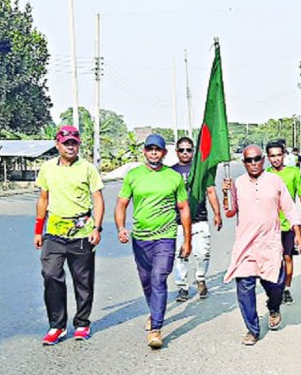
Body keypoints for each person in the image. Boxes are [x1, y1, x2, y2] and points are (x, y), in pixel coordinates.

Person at [114, 134, 192, 349]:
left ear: (164, 153)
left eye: (158, 149)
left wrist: (187, 239)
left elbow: (184, 208)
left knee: (159, 278)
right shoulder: (134, 175)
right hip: (141, 238)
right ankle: (154, 310)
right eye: (150, 149)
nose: (154, 152)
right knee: (147, 280)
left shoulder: (173, 177)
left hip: (166, 236)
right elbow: (121, 204)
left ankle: (156, 328)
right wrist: (121, 228)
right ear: (144, 152)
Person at [223, 145, 301, 346]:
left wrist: (298, 233)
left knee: (276, 284)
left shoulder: (275, 181)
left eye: (257, 159)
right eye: (249, 160)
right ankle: (252, 330)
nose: (253, 163)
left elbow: (289, 207)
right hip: (246, 245)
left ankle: (274, 307)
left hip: (270, 243)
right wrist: (226, 193)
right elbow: (230, 211)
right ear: (244, 163)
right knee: (244, 287)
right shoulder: (239, 183)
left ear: (263, 160)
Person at [34, 125, 105, 345]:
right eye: (66, 143)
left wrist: (97, 228)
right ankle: (57, 326)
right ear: (58, 145)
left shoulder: (87, 168)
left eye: (74, 142)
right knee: (51, 275)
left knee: (83, 280)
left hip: (82, 232)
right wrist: (38, 230)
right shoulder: (47, 168)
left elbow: (98, 199)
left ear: (79, 144)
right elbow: (43, 199)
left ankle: (82, 323)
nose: (70, 146)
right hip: (54, 232)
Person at [170, 136, 223, 302]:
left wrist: (217, 213)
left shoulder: (201, 171)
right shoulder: (170, 172)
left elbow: (211, 191)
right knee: (181, 256)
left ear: (193, 151)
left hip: (199, 219)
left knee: (202, 253)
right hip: (177, 222)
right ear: (176, 152)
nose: (185, 153)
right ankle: (182, 287)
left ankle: (200, 278)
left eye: (189, 149)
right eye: (181, 150)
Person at [265, 140, 301, 304]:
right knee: (272, 260)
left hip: (289, 224)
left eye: (279, 155)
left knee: (287, 258)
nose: (276, 159)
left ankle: (286, 288)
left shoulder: (293, 173)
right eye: (272, 156)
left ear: (284, 155)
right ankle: (274, 288)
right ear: (268, 157)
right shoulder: (265, 175)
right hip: (270, 227)